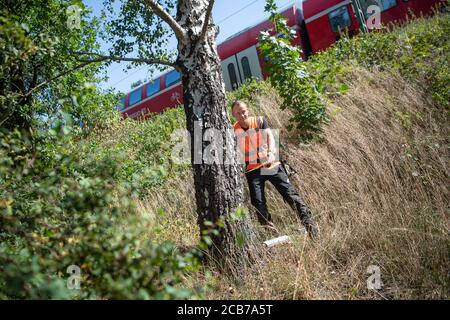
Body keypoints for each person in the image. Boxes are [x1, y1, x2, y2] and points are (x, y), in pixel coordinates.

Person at [231, 100, 319, 240]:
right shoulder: (233, 130)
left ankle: (310, 227)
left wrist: (271, 153)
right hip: (253, 170)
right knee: (258, 203)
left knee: (290, 195)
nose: (242, 114)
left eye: (244, 111)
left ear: (247, 110)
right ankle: (271, 235)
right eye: (238, 113)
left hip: (270, 165)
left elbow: (270, 137)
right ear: (233, 115)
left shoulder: (259, 121)